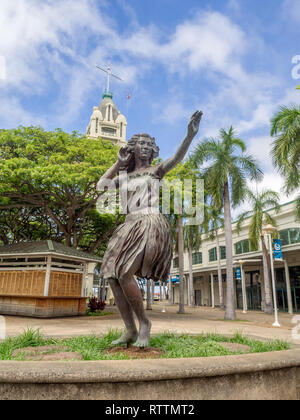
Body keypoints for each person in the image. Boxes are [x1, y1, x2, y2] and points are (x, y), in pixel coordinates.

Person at [98, 111, 203, 347]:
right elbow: (101, 186)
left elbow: (176, 158)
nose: (145, 147)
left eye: (149, 144)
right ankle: (130, 330)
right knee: (112, 277)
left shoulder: (156, 170)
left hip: (149, 223)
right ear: (133, 149)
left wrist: (189, 136)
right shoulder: (125, 176)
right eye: (141, 144)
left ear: (153, 149)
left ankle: (144, 323)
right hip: (127, 226)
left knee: (125, 273)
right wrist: (118, 162)